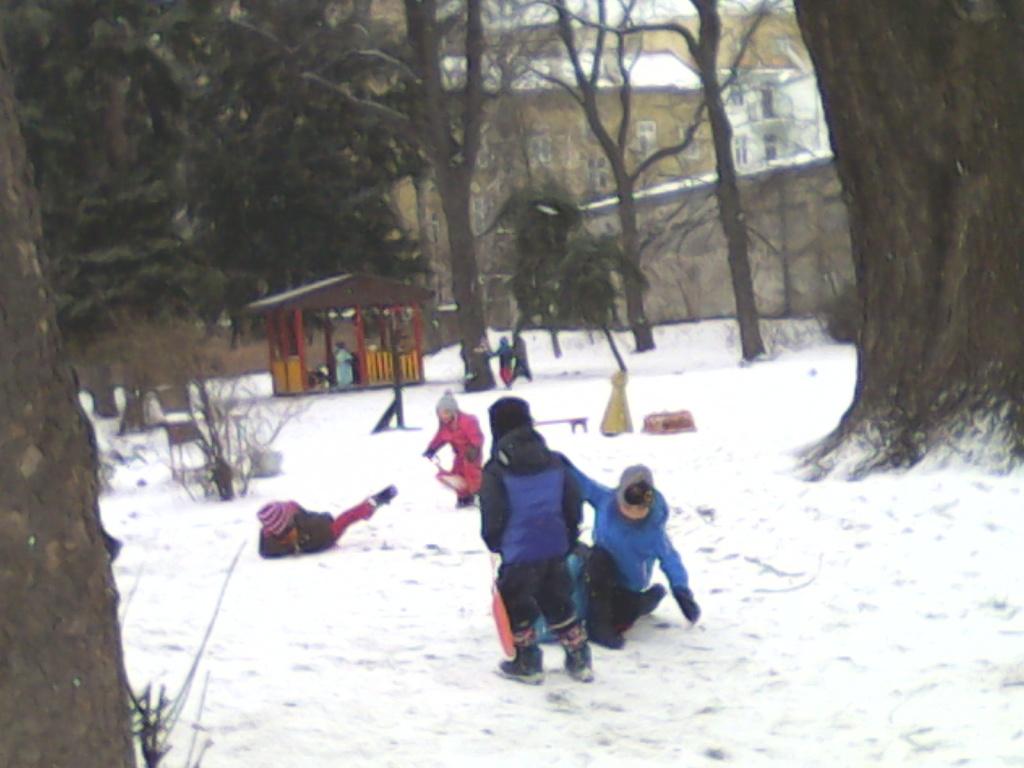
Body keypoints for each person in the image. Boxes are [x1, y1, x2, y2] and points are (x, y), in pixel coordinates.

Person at [480, 396, 593, 684]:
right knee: (557, 599)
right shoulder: (554, 460)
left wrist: (495, 542)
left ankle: (527, 661)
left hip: (518, 550)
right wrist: (568, 536)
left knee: (515, 602)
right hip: (554, 546)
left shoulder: (496, 468)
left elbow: (493, 513)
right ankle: (579, 657)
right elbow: (572, 501)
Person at [567, 462, 701, 649]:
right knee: (597, 568)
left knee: (623, 616)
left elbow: (671, 560)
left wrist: (681, 590)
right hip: (600, 568)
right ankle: (598, 628)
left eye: (641, 509)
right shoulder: (605, 501)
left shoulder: (653, 532)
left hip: (628, 585)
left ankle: (648, 599)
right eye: (629, 508)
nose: (634, 514)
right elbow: (583, 483)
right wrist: (555, 460)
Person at [256, 485, 397, 558]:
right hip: (306, 529)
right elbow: (267, 549)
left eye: (290, 528)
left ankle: (372, 503)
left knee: (345, 519)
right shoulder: (269, 546)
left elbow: (341, 520)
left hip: (322, 532)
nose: (288, 534)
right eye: (284, 533)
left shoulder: (315, 528)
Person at [423, 390, 484, 507]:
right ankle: (464, 497)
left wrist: (474, 448)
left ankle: (480, 495)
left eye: (446, 412)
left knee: (472, 475)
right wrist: (432, 449)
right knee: (457, 475)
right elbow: (440, 438)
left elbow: (477, 437)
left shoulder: (468, 421)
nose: (444, 416)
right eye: (440, 413)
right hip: (459, 455)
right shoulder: (445, 426)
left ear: (453, 411)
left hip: (471, 454)